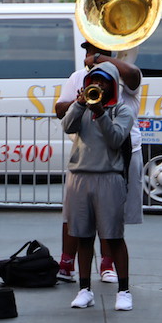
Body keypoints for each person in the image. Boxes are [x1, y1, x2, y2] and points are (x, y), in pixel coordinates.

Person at [55, 42, 143, 285]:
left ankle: (108, 265)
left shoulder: (124, 76)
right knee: (76, 220)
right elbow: (61, 112)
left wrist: (101, 61)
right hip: (86, 158)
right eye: (89, 52)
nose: (90, 57)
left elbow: (134, 76)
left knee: (112, 218)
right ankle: (67, 265)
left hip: (123, 154)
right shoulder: (78, 78)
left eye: (97, 53)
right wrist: (79, 102)